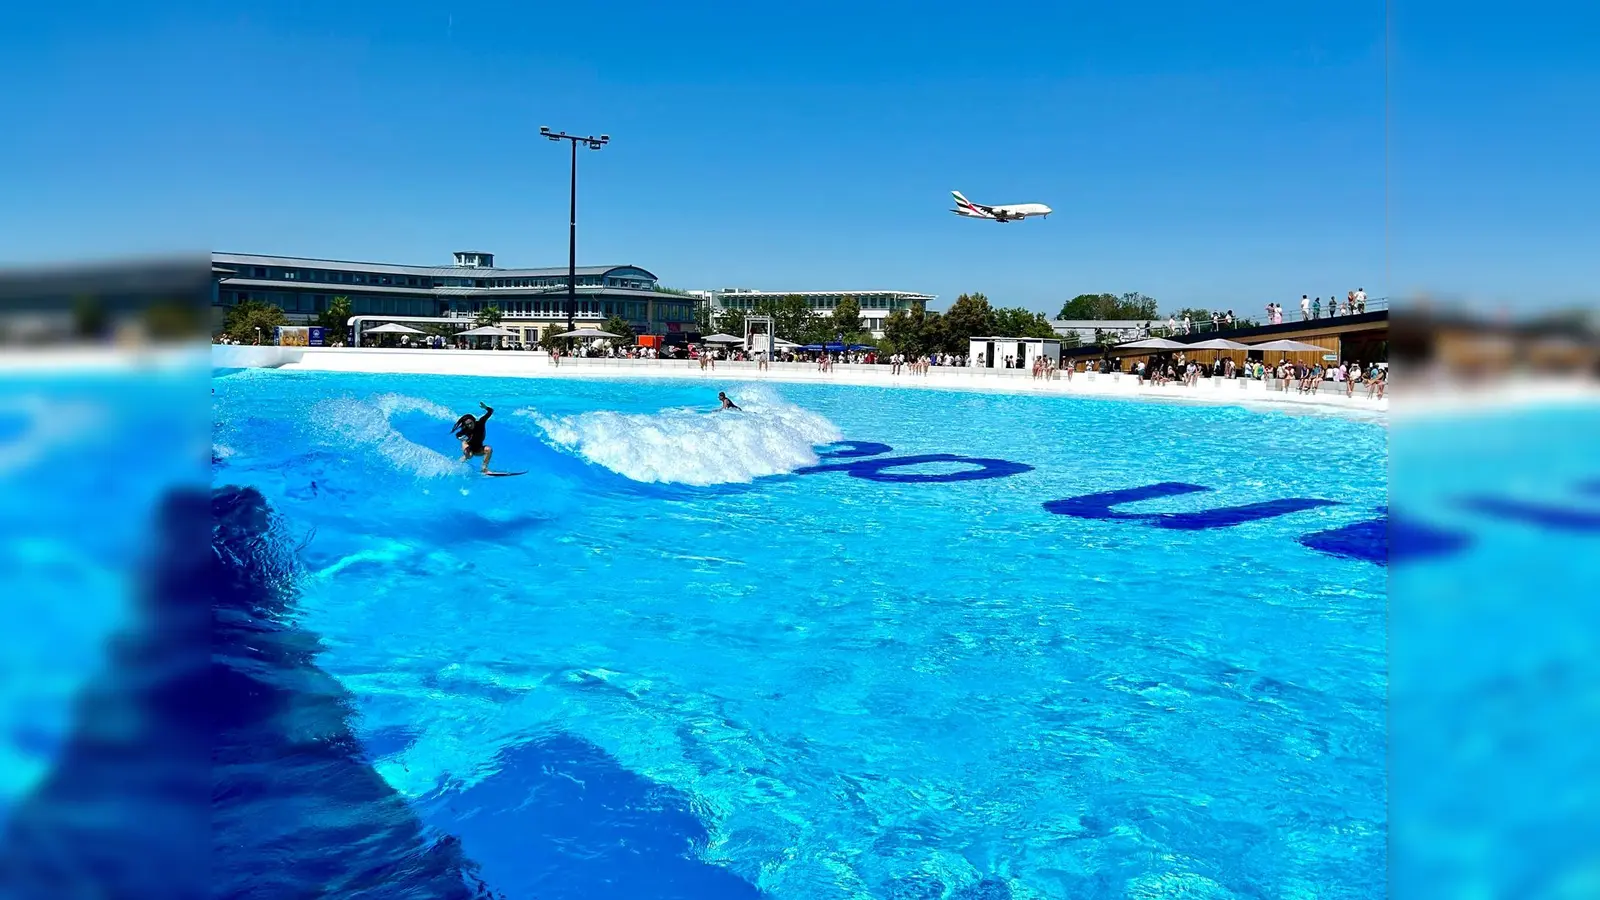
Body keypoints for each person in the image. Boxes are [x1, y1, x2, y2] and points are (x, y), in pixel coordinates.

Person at [452, 402, 495, 473]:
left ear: (474, 420)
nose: (469, 426)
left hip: (478, 448)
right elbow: (458, 434)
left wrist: (485, 407)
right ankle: (456, 465)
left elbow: (491, 411)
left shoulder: (481, 422)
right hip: (468, 445)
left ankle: (484, 469)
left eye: (470, 423)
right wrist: (460, 438)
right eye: (467, 424)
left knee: (488, 449)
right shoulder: (466, 429)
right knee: (469, 455)